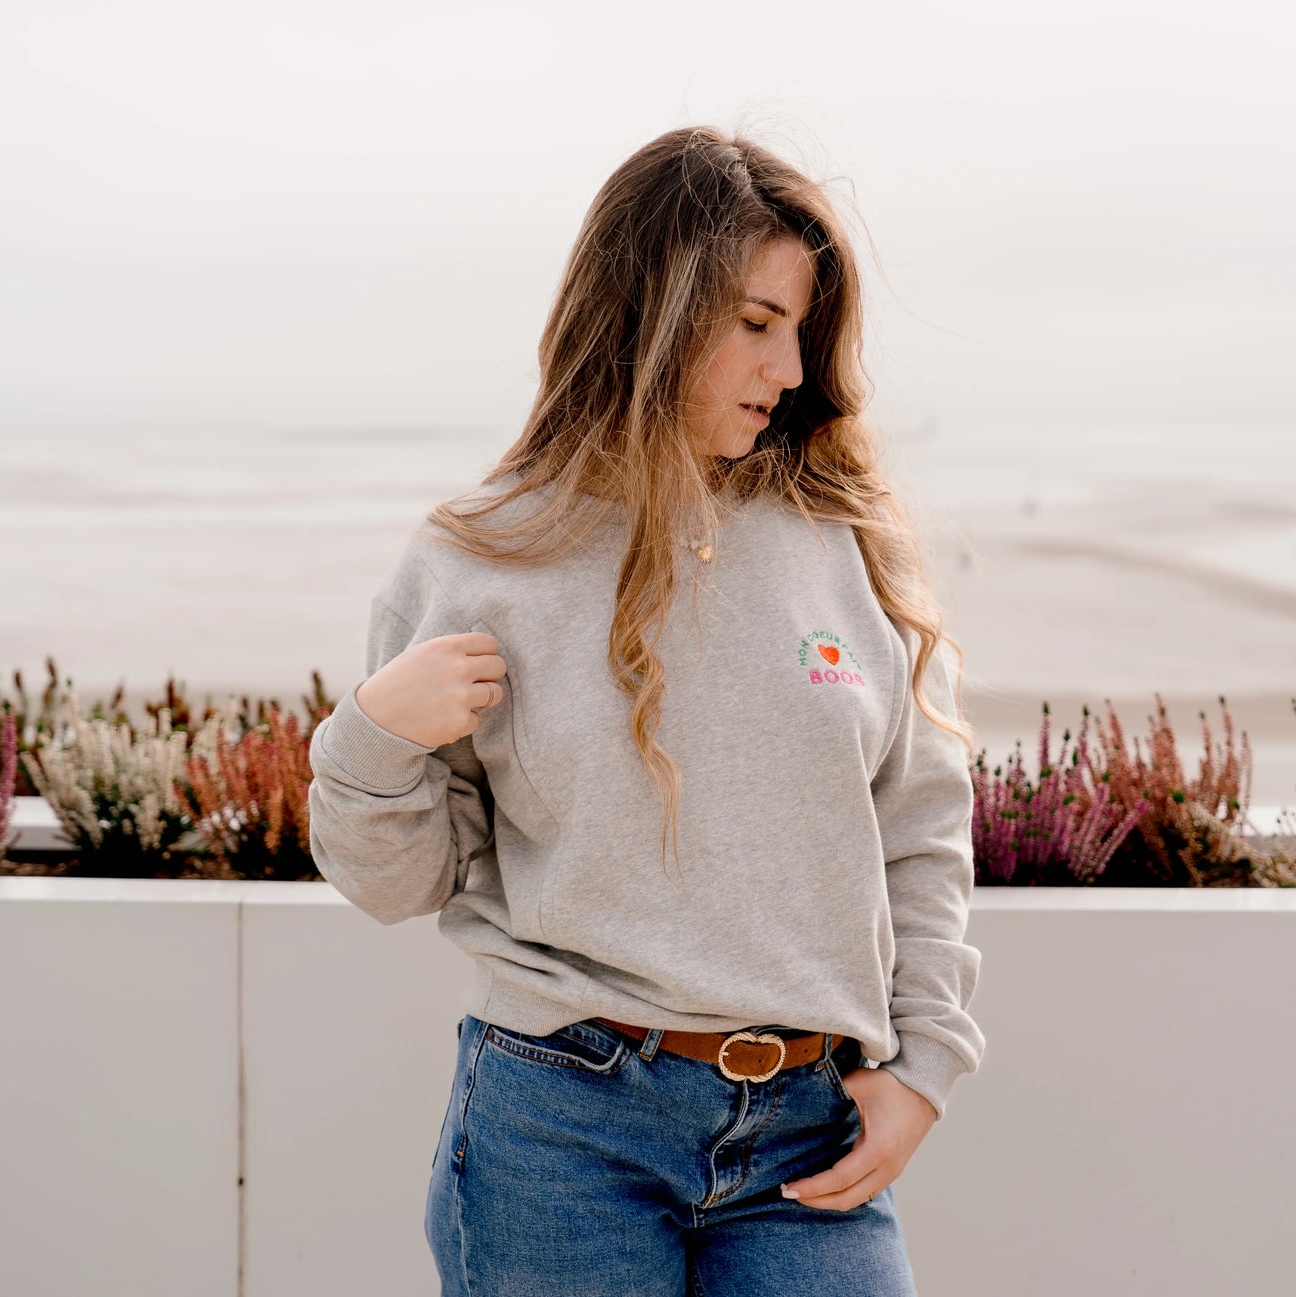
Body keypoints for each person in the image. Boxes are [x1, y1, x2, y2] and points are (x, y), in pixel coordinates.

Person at [306, 123, 985, 1296]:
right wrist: (368, 740)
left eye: (802, 332)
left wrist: (924, 1064)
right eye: (755, 324)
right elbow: (397, 883)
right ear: (647, 316)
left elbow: (917, 827)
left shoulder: (841, 542)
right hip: (557, 1131)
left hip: (806, 1141)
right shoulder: (481, 557)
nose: (786, 370)